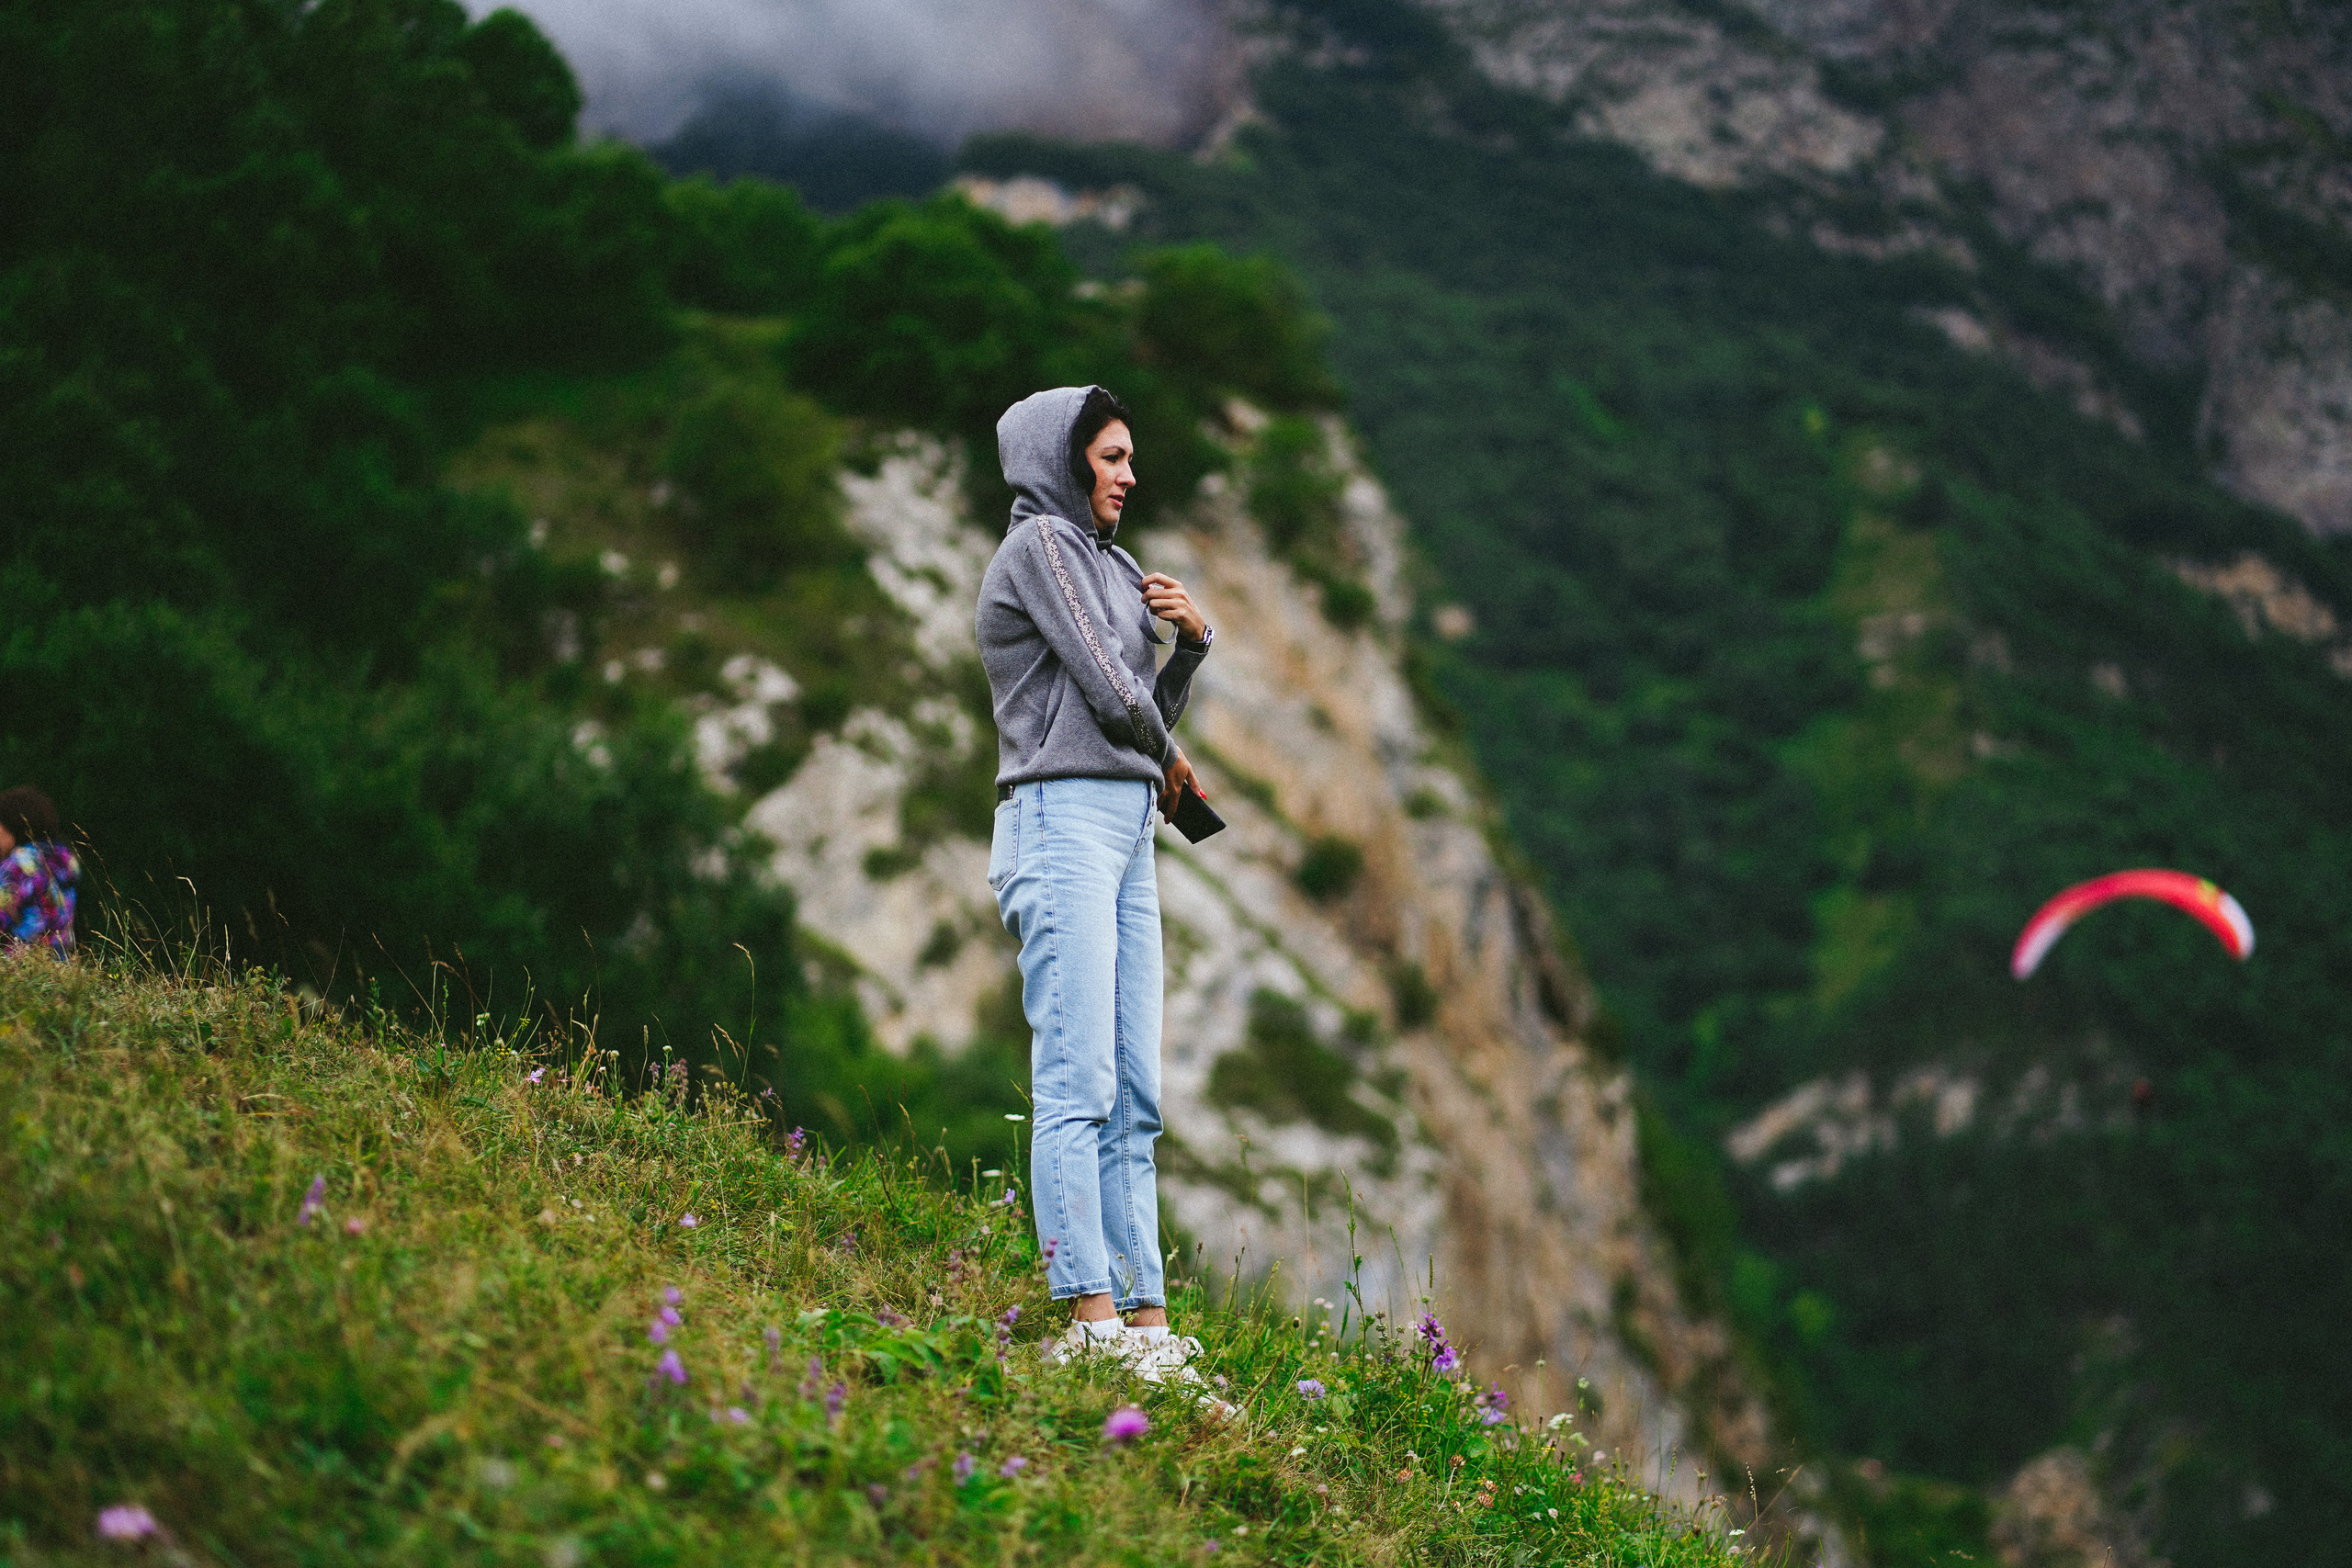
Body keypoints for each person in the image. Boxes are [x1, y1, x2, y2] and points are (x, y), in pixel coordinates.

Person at [976, 386, 1219, 1387]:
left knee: (1134, 1090)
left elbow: (1140, 720)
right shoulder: (1040, 550)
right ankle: (1087, 1319)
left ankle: (1146, 1330)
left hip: (1122, 825)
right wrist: (1169, 754)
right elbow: (1110, 698)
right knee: (1077, 1077)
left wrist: (1192, 648)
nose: (1127, 475)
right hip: (1057, 815)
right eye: (1110, 457)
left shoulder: (1117, 569)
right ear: (1058, 457)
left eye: (1128, 459)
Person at [0, 787, 79, 956]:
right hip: (59, 971)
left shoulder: (17, 865)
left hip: (19, 968)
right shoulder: (64, 861)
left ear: (13, 825)